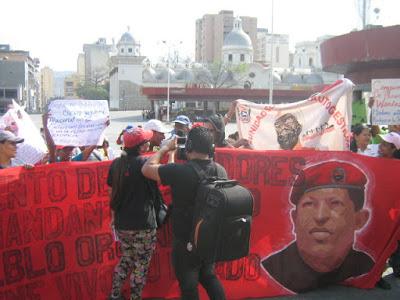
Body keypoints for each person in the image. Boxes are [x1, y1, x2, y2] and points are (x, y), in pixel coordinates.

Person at [261, 161, 374, 293]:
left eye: (335, 203)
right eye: (309, 204)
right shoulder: (273, 269)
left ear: (360, 219)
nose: (320, 216)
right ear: (294, 218)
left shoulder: (365, 266)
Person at [141, 126, 227, 300]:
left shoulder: (180, 172)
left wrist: (165, 149)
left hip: (186, 240)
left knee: (188, 286)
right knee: (209, 277)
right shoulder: (220, 170)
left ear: (189, 146)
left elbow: (147, 168)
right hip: (209, 237)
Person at [107, 127, 158, 300]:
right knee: (140, 265)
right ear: (141, 146)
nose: (149, 143)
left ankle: (114, 295)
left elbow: (111, 193)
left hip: (122, 224)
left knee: (126, 259)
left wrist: (113, 218)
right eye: (146, 141)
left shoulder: (116, 164)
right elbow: (163, 175)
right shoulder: (144, 163)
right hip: (143, 224)